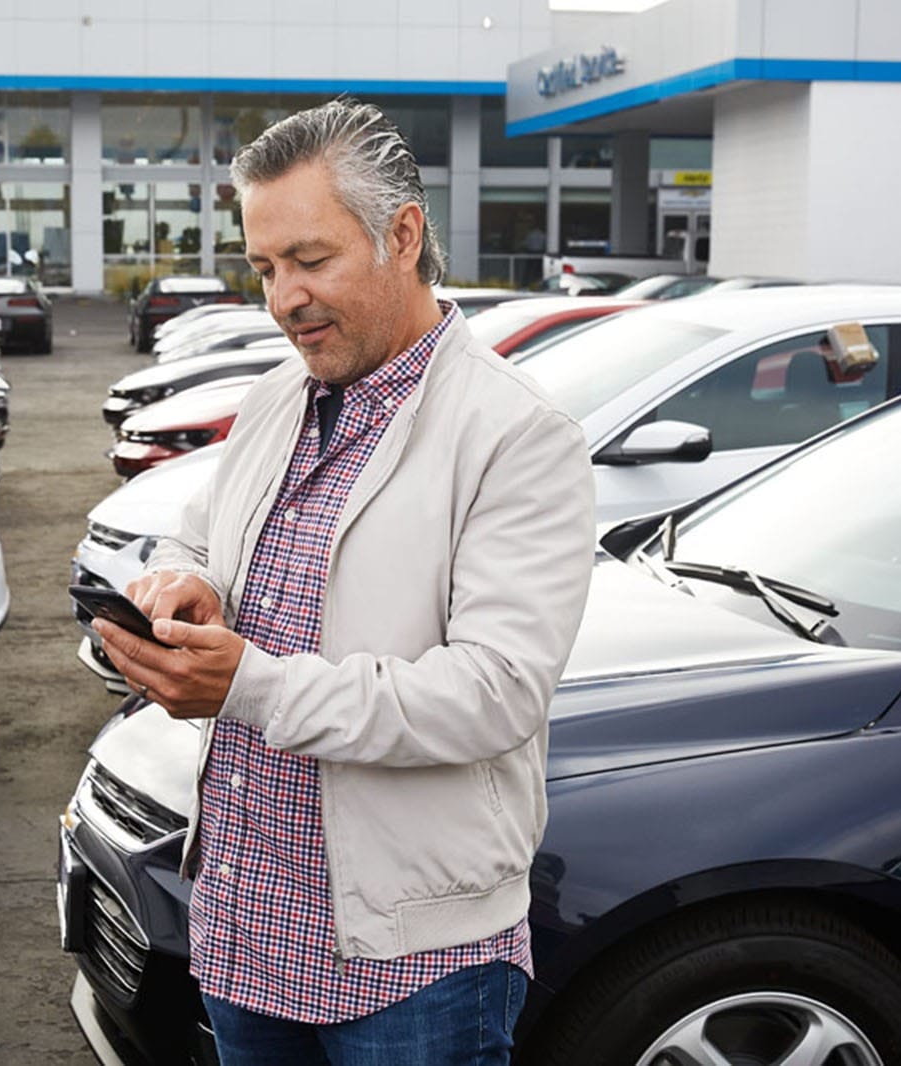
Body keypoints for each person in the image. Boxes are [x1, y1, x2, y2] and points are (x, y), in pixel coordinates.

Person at [92, 98, 596, 1065]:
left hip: (413, 963)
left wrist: (250, 685)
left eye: (311, 260)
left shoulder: (518, 435)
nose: (284, 300)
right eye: (266, 269)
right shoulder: (281, 395)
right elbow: (195, 542)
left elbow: (495, 694)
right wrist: (180, 589)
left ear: (402, 235)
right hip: (246, 929)